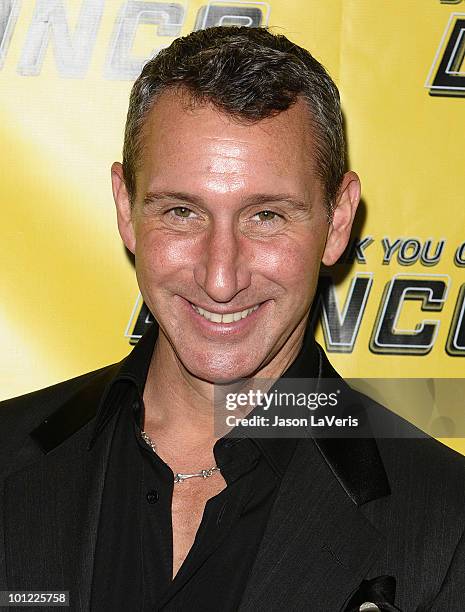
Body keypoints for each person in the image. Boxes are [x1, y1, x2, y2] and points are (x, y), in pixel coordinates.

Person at [0, 26, 464, 612]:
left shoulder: (446, 525)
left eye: (267, 215)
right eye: (181, 212)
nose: (221, 278)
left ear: (338, 220)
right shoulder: (8, 452)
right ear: (126, 208)